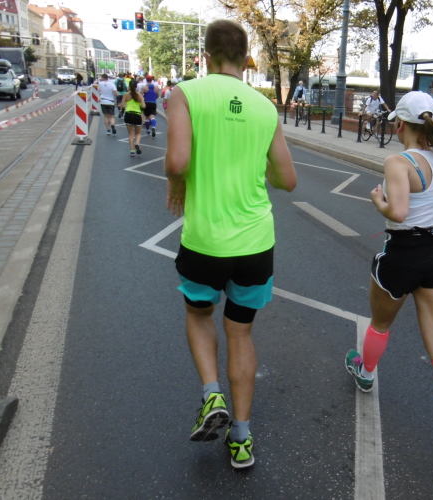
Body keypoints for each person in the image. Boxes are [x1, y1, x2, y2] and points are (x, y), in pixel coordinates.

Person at [164, 19, 297, 469]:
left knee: (199, 315)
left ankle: (211, 394)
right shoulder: (264, 108)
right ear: (245, 59)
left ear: (205, 56)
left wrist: (175, 184)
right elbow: (287, 180)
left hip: (205, 241)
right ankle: (241, 438)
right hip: (256, 242)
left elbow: (177, 161)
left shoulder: (185, 94)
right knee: (241, 332)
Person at [344, 91, 433, 471]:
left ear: (400, 125)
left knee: (380, 324)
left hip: (403, 253)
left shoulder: (397, 161)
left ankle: (366, 372)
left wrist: (378, 200)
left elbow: (399, 212)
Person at [119, 80, 145, 157]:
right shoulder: (139, 95)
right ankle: (137, 143)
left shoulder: (126, 94)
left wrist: (127, 107)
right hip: (137, 115)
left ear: (129, 86)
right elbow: (143, 106)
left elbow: (122, 105)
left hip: (128, 114)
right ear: (136, 86)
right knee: (138, 133)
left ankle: (132, 151)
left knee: (130, 134)